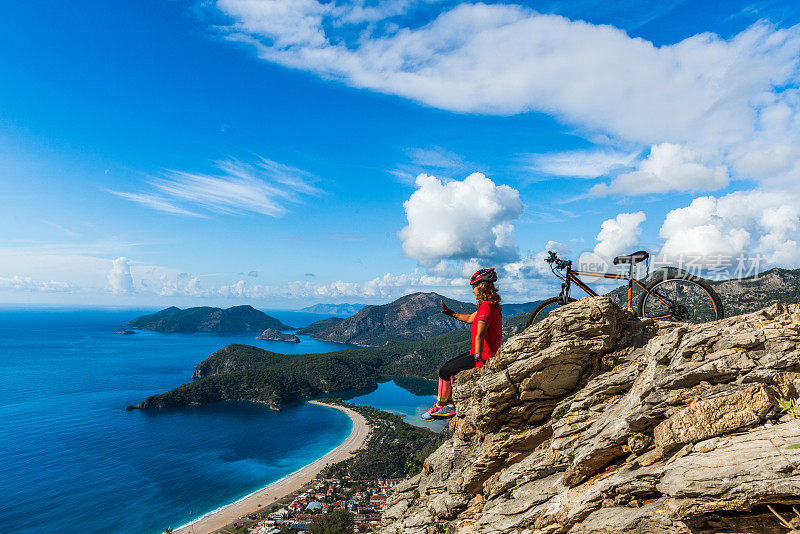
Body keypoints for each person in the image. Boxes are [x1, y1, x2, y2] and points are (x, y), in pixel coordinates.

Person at [422, 268, 503, 421]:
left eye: (474, 286)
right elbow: (469, 318)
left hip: (483, 355)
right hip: (480, 352)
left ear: (482, 286)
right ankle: (451, 403)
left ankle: (441, 405)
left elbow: (480, 335)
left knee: (444, 371)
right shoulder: (489, 305)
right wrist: (450, 313)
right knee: (448, 366)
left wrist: (478, 360)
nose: (472, 290)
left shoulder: (486, 306)